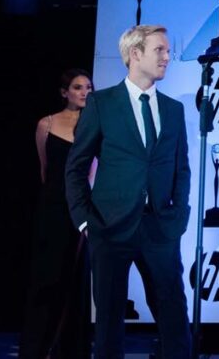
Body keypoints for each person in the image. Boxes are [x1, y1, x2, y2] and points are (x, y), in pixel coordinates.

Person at [65, 25, 192, 359]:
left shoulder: (174, 110)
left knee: (174, 317)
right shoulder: (102, 103)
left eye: (168, 50)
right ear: (135, 54)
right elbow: (76, 168)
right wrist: (85, 222)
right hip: (109, 228)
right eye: (159, 50)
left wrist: (178, 217)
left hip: (159, 228)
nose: (167, 57)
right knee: (109, 323)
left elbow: (181, 169)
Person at [19, 69, 94, 359]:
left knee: (75, 277)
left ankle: (71, 349)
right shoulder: (46, 123)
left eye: (88, 87)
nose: (84, 92)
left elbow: (92, 172)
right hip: (52, 207)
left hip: (80, 209)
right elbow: (44, 168)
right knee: (46, 276)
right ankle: (37, 347)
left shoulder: (93, 125)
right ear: (65, 92)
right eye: (78, 87)